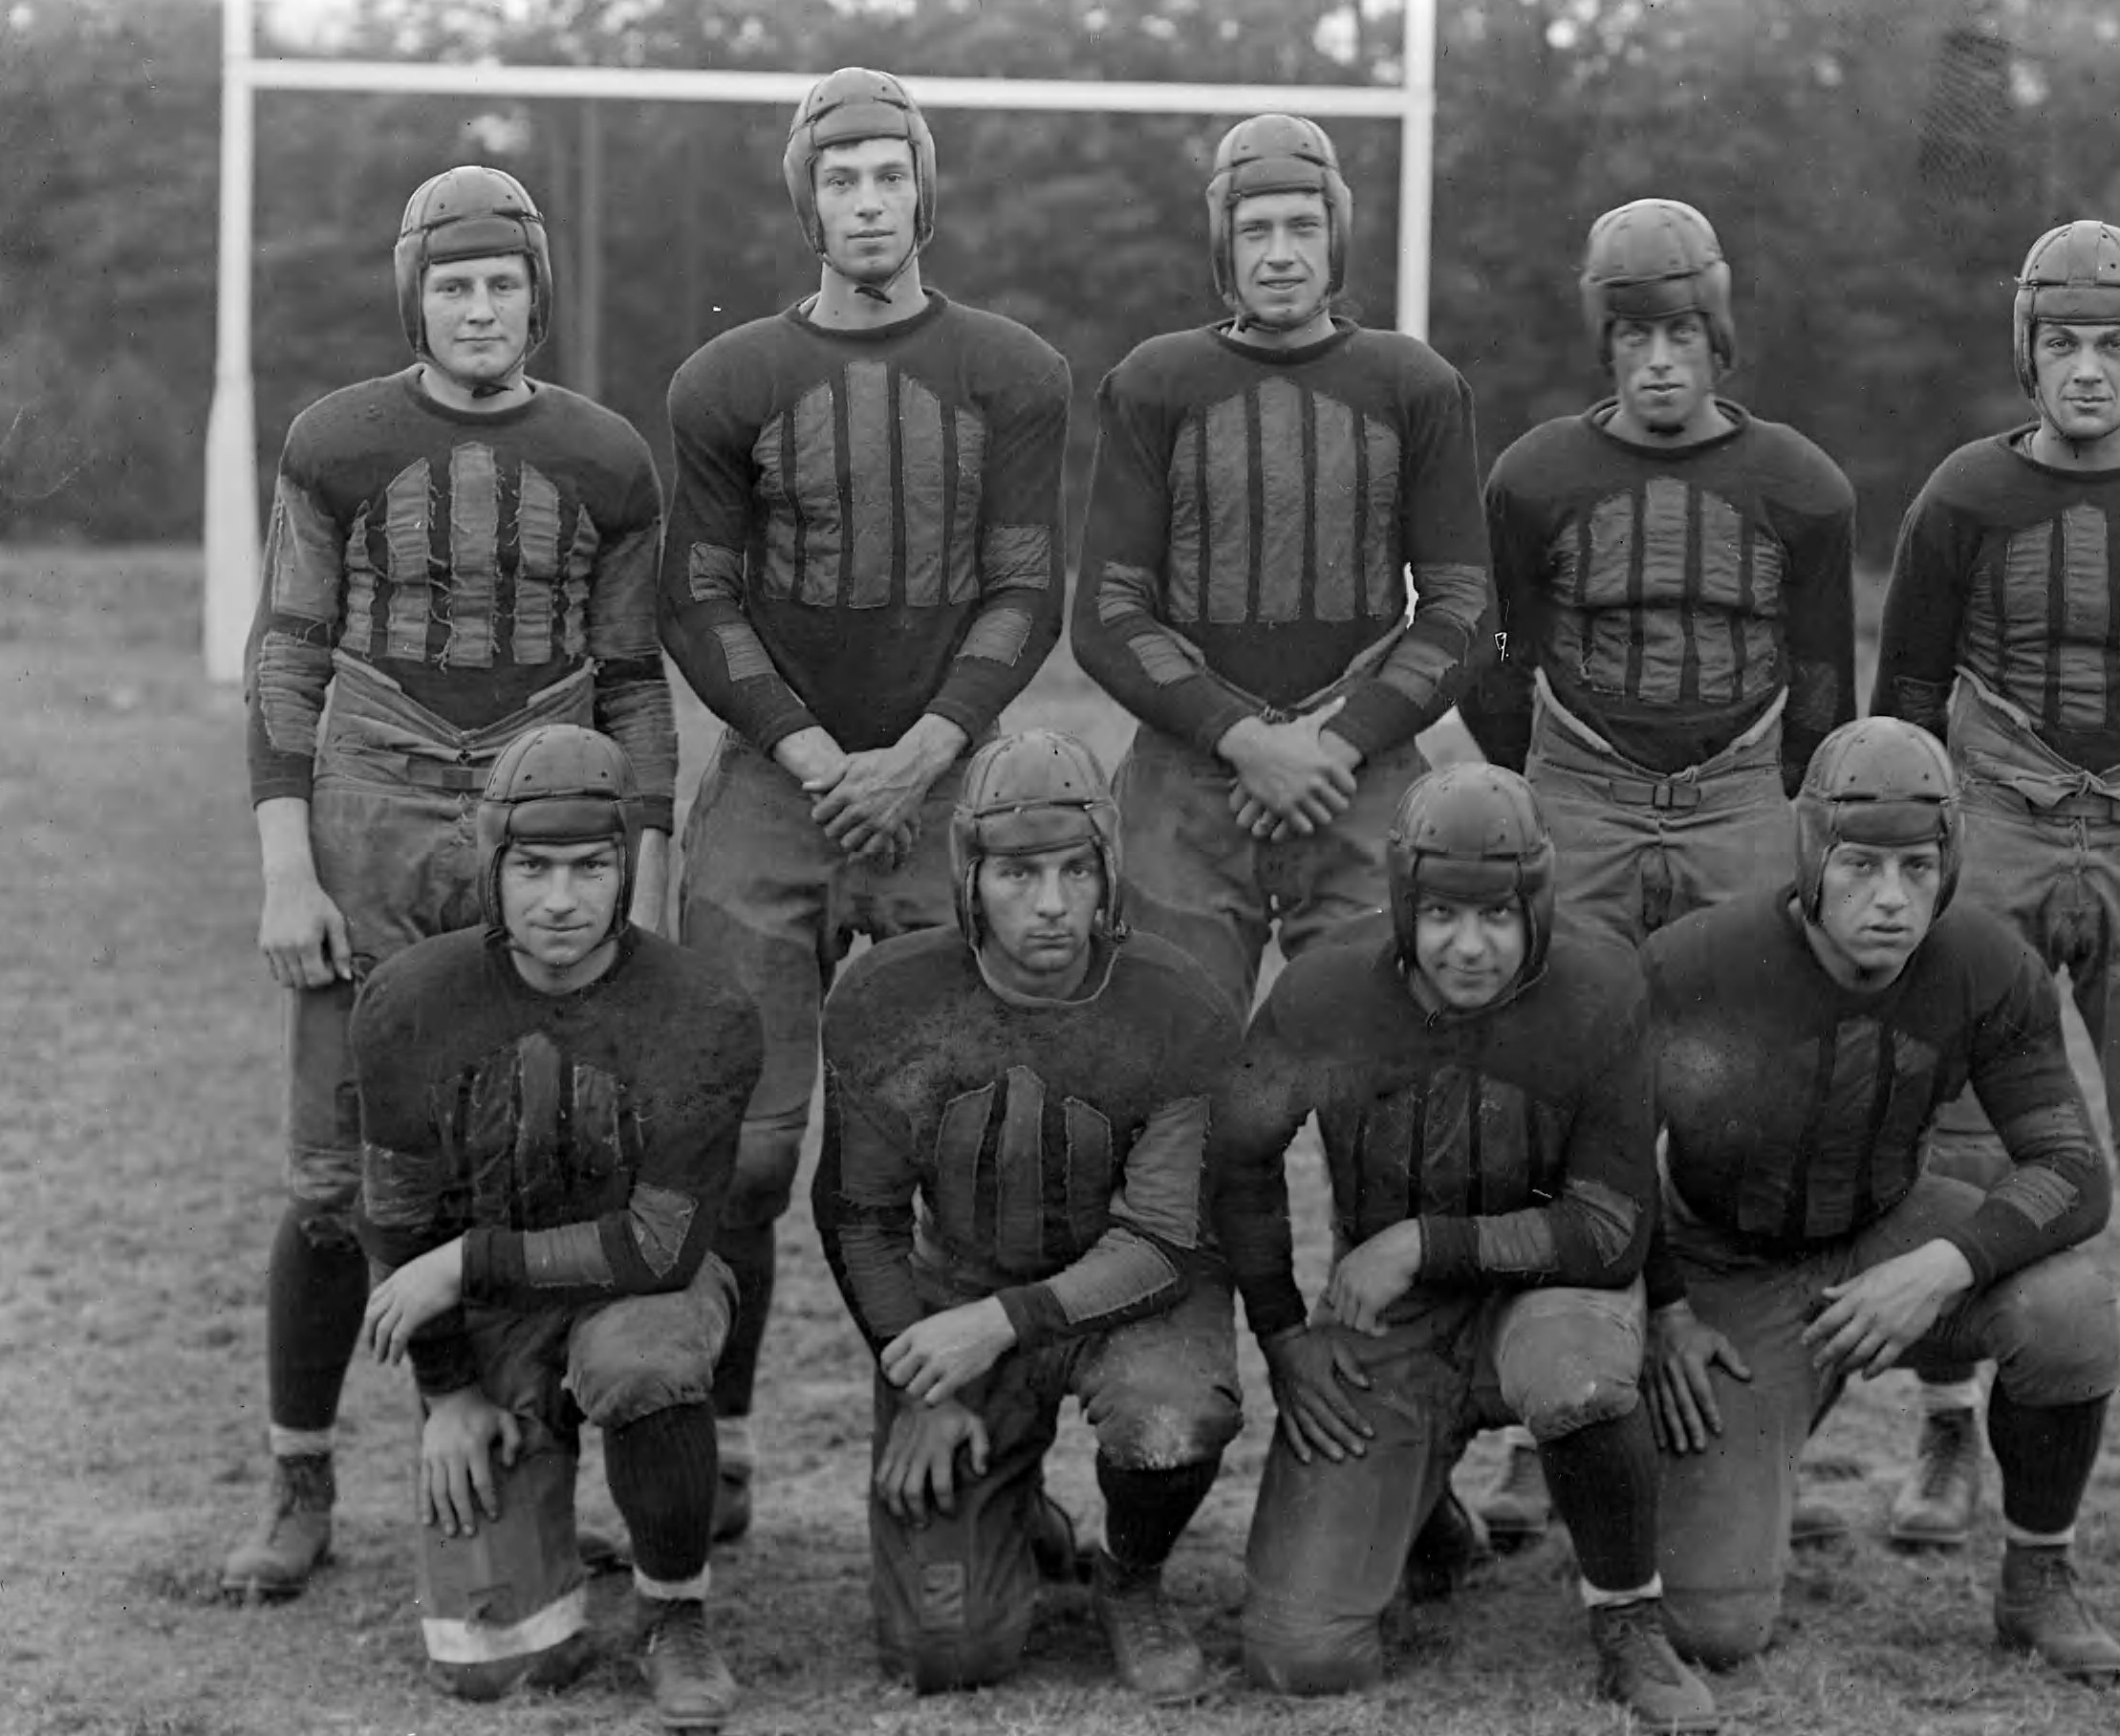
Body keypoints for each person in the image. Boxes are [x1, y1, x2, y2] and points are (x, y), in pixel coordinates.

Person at [227, 165, 677, 1601]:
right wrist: (286, 867)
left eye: (502, 282)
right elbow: (286, 656)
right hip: (371, 797)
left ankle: (529, 1452)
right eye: (453, 282)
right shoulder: (335, 440)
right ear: (414, 293)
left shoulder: (606, 455)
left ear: (536, 293)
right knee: (334, 1167)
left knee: (538, 1146)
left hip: (543, 808)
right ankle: (300, 1473)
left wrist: (649, 876)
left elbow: (629, 680)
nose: (480, 308)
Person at [660, 66, 1072, 1537]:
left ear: (924, 189)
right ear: (807, 200)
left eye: (889, 176)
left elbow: (1031, 586)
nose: (868, 205)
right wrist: (811, 748)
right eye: (840, 181)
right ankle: (715, 1440)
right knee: (745, 1149)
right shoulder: (728, 382)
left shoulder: (1011, 369)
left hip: (949, 786)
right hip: (781, 792)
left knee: (974, 1143)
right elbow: (697, 598)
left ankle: (984, 1457)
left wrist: (920, 750)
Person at [1871, 220, 2120, 1552]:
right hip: (1994, 817)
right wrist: (1978, 836)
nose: (2088, 368)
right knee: (1954, 1147)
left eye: (2113, 342)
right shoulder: (1965, 497)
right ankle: (1944, 1436)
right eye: (2063, 342)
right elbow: (1907, 704)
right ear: (2026, 352)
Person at [1459, 197, 1856, 1548]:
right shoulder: (1536, 479)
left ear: (1719, 334)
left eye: (1684, 331)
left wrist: (1764, 796)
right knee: (1560, 1087)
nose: (1660, 360)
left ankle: (1752, 1403)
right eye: (1633, 334)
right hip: (1583, 792)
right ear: (1604, 341)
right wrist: (1571, 785)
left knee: (1743, 1094)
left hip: (1742, 792)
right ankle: (1546, 1416)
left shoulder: (1799, 482)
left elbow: (1821, 680)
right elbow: (1495, 666)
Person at [1215, 766, 1717, 1731]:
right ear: (1404, 900)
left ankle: (1627, 1618)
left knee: (1574, 1375)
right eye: (1443, 914)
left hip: (1554, 1288)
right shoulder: (1322, 995)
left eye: (1499, 916)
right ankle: (1422, 1514)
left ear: (1540, 902)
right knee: (1303, 1655)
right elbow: (1237, 1158)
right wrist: (1282, 1335)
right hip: (1390, 1316)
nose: (1471, 945)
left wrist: (1420, 1240)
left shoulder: (1605, 987)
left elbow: (1610, 1230)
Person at [1642, 717, 2120, 1684]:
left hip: (1888, 1230)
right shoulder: (1699, 965)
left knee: (2067, 1308)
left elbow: (2075, 1168)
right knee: (1714, 1627)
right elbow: (1603, 1159)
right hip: (1726, 1270)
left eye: (1916, 866)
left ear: (1949, 864)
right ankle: (1769, 1430)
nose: (1891, 898)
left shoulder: (1986, 965)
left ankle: (2039, 1577)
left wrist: (1943, 1266)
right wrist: (1665, 1310)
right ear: (1813, 852)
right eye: (1862, 866)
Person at [811, 730, 1243, 1702]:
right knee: (946, 1655)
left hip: (1125, 1303)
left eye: (1073, 871)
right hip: (959, 1295)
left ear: (1109, 875)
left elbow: (1165, 1239)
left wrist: (1003, 1322)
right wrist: (919, 1380)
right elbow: (861, 1215)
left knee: (1169, 1415)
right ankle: (1018, 1514)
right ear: (970, 876)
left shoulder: (1177, 1005)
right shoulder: (888, 999)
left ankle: (1130, 1575)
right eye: (1016, 873)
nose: (1050, 904)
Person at [353, 726, 762, 1726]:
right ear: (491, 865)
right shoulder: (411, 1000)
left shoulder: (701, 1009)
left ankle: (675, 1608)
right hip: (490, 1315)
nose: (561, 899)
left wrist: (466, 1260)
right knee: (493, 1660)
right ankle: (536, 1499)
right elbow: (398, 1214)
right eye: (532, 866)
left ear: (630, 868)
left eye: (591, 866)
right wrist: (446, 1393)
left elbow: (663, 1244)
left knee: (640, 1358)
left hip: (637, 1288)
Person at [1072, 111, 1493, 1022]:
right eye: (1254, 230)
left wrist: (1330, 744)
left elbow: (1466, 606)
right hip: (1186, 784)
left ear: (1335, 234)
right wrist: (1247, 741)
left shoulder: (1414, 384)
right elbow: (1106, 610)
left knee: (1375, 1091)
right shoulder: (1155, 382)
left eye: (1302, 226)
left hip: (1361, 772)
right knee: (1179, 1087)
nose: (1279, 254)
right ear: (1223, 243)